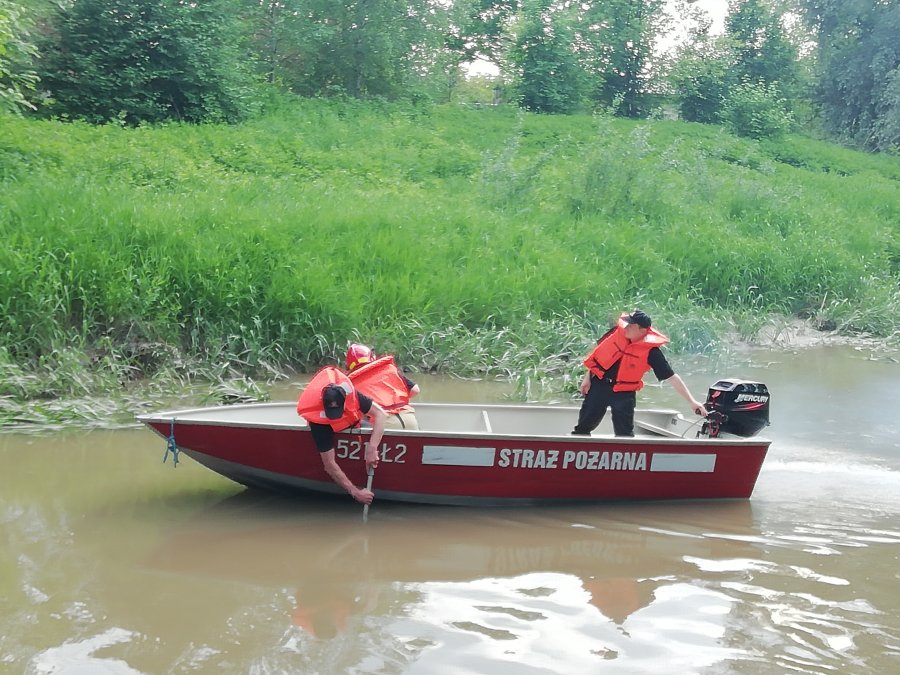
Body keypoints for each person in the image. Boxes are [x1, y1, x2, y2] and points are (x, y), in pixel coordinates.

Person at [573, 310, 707, 437]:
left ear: (642, 330)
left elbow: (671, 377)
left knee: (624, 434)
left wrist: (692, 402)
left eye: (631, 325)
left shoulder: (652, 352)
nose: (626, 327)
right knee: (583, 427)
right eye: (626, 323)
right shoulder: (617, 333)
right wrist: (588, 378)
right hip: (599, 385)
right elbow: (599, 356)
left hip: (624, 393)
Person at [296, 366, 387, 505]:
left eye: (337, 411)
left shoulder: (352, 395)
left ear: (345, 401)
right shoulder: (318, 421)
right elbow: (329, 465)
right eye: (331, 412)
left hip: (352, 422)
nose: (333, 417)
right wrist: (355, 492)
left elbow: (381, 414)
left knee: (369, 427)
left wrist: (372, 448)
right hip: (324, 426)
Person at [346, 343, 420, 430]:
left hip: (384, 425)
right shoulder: (389, 369)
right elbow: (415, 390)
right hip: (409, 419)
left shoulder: (350, 383)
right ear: (372, 357)